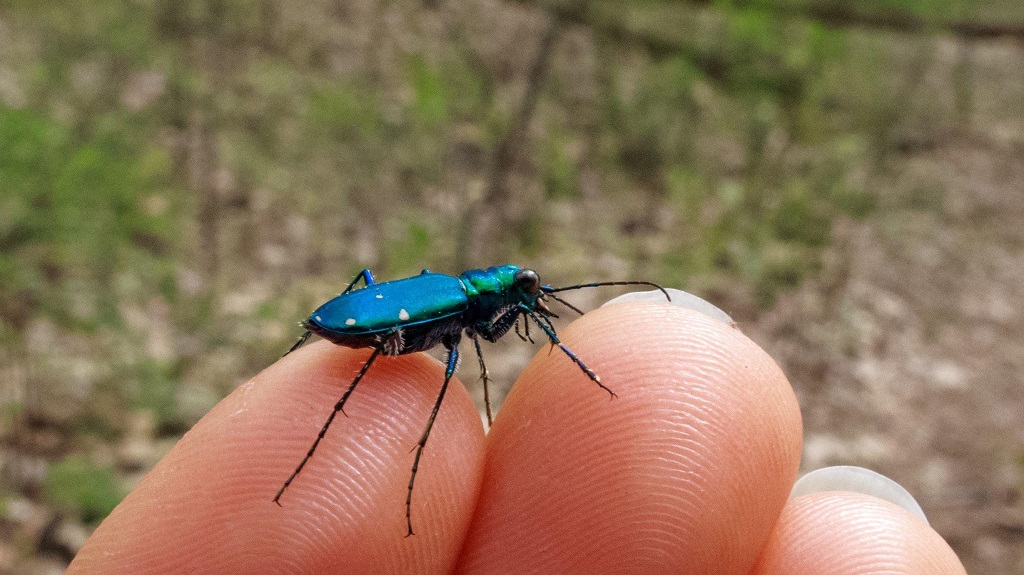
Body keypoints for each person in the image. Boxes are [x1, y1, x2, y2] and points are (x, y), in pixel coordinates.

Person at [67, 298, 966, 574]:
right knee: (413, 403)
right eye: (527, 295)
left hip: (376, 316)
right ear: (499, 291)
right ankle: (331, 449)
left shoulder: (481, 300)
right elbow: (490, 347)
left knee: (429, 389)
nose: (535, 306)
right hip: (378, 324)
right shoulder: (465, 308)